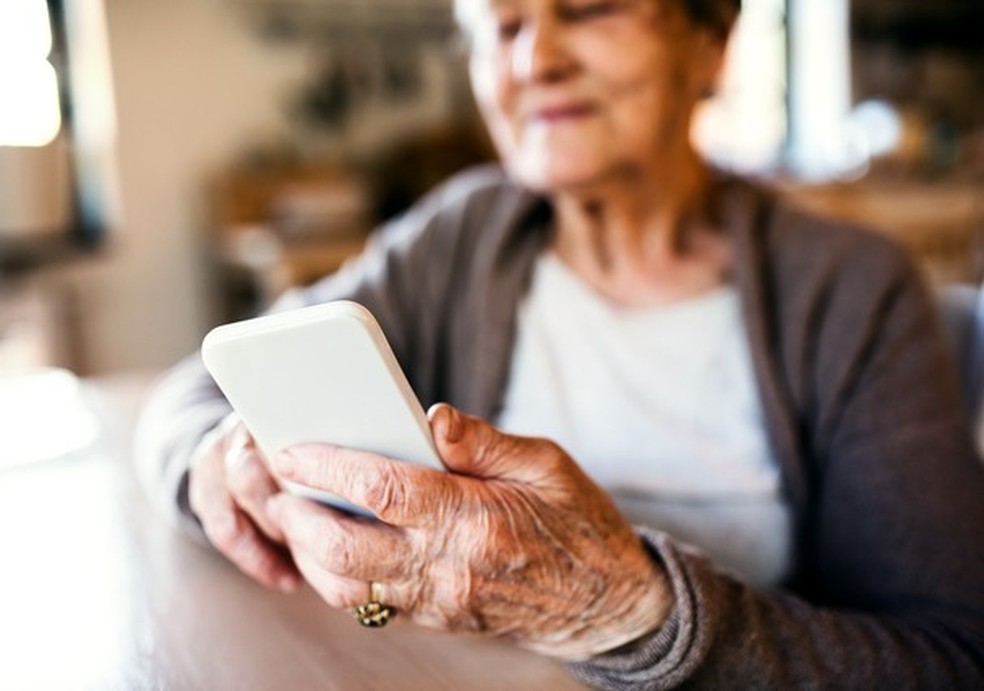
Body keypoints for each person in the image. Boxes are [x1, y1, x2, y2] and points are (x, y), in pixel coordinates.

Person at [136, 0, 984, 687]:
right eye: (501, 27)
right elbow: (192, 390)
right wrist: (217, 462)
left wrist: (622, 610)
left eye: (587, 9)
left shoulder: (850, 289)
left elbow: (950, 655)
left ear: (711, 42)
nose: (534, 60)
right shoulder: (466, 234)